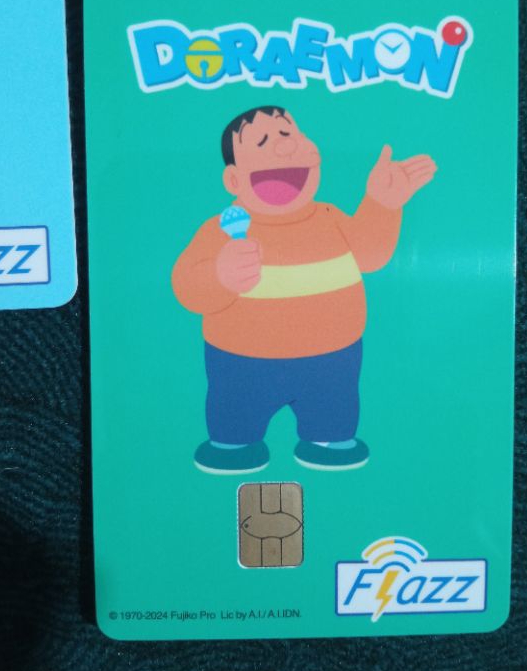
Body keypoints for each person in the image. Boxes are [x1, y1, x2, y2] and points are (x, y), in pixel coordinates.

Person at [172, 106, 437, 474]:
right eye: (262, 142)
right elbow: (186, 286)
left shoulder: (329, 217)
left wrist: (383, 203)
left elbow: (370, 255)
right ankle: (233, 442)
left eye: (288, 135)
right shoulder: (221, 230)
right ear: (233, 180)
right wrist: (221, 275)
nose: (283, 148)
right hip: (241, 360)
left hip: (331, 359)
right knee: (234, 413)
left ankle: (329, 438)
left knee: (333, 412)